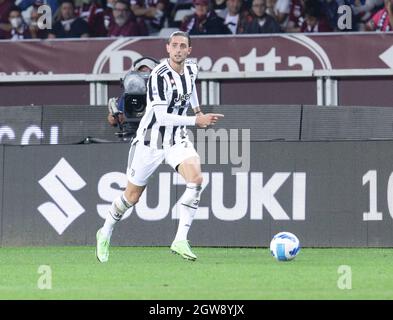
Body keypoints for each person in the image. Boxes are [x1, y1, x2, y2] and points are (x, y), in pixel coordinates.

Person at [96, 31, 224, 262]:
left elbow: (191, 88)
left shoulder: (192, 69)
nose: (178, 49)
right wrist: (197, 121)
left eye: (182, 46)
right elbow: (163, 118)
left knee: (196, 180)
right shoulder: (158, 76)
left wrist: (197, 111)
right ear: (167, 48)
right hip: (150, 142)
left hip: (177, 139)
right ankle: (105, 232)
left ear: (189, 50)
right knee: (131, 198)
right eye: (174, 45)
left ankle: (180, 239)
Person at [107, 56, 160, 139]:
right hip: (131, 133)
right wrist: (116, 116)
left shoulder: (161, 94)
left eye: (149, 70)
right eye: (141, 71)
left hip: (156, 133)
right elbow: (112, 120)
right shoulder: (127, 96)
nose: (145, 74)